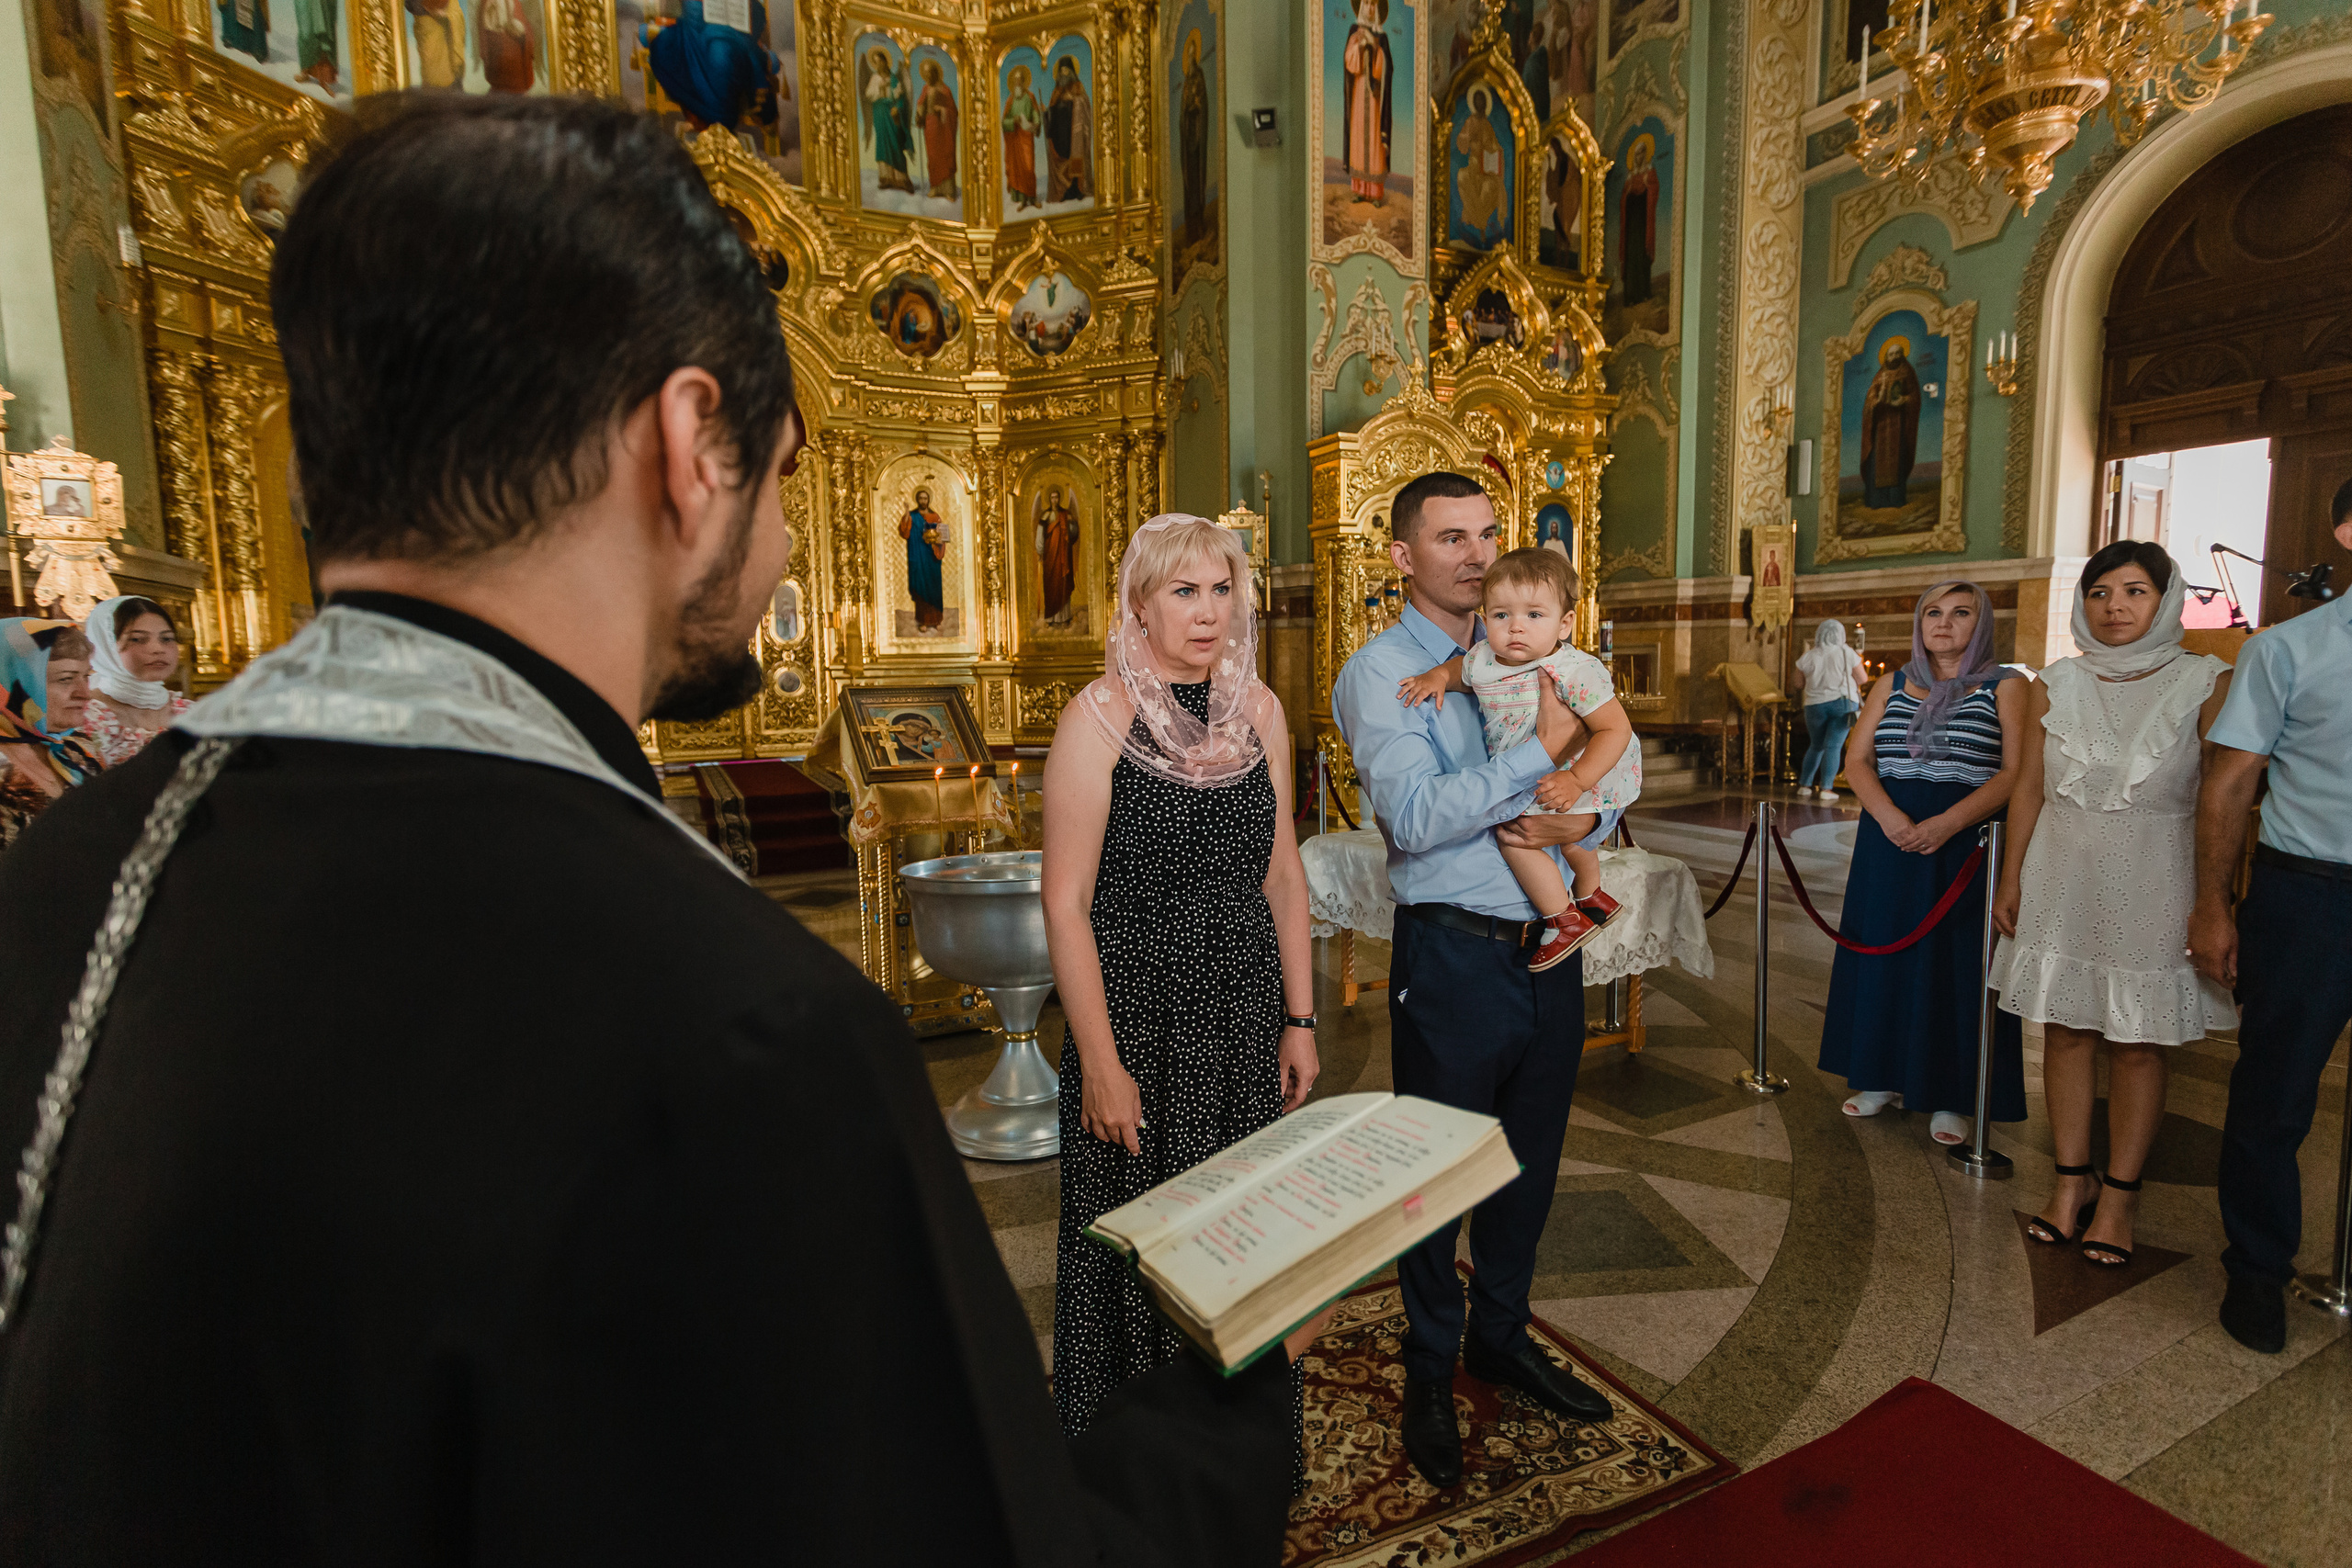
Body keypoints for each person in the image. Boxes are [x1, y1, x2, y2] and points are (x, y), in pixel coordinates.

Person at [0, 96, 1312, 1563]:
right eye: (792, 472)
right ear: (693, 444)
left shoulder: (66, 875)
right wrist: (1224, 1410)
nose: (793, 539)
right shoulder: (753, 1027)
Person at [1331, 471, 1612, 1492]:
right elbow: (1412, 818)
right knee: (1434, 1173)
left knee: (1528, 1161)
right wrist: (1539, 752)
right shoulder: (1381, 673)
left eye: (1488, 533)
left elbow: (1602, 773)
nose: (1477, 554)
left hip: (1547, 941)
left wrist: (1583, 815)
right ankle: (1425, 1366)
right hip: (1451, 950)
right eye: (1450, 538)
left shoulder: (1540, 645)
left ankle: (1500, 1335)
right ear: (1403, 557)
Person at [1041, 513, 1318, 1483]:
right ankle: (1134, 1463)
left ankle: (1235, 1450)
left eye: (1221, 589)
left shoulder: (1262, 711)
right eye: (1183, 592)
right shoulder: (1099, 717)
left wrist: (1300, 1016)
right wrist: (1103, 1066)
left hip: (1243, 1011)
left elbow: (1283, 875)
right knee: (1142, 1235)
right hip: (1138, 1012)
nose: (1208, 612)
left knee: (1240, 1233)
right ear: (1139, 605)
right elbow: (1064, 905)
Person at [1991, 544, 2234, 1268]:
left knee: (2136, 1039)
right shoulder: (2055, 682)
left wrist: (2216, 899)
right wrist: (2012, 878)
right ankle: (2071, 1183)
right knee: (2065, 1029)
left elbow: (2224, 799)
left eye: (2135, 590)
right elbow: (2029, 787)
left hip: (2157, 872)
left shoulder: (2208, 680)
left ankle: (2120, 1197)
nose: (2115, 606)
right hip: (2064, 868)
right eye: (2100, 591)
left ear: (2167, 600)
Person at [2191, 477, 2352, 1355]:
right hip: (2311, 895)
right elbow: (2227, 785)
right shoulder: (2288, 650)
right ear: (2347, 529)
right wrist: (2213, 903)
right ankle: (2256, 1271)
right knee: (2275, 1093)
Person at [1818, 580, 2027, 1145]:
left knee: (1952, 966)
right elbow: (1856, 759)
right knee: (1884, 952)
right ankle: (1878, 1076)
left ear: (1981, 623)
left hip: (1963, 841)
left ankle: (1950, 1094)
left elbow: (2015, 773)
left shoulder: (2006, 686)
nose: (1944, 623)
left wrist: (1948, 824)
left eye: (1961, 613)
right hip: (1889, 835)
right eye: (1933, 612)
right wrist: (1888, 818)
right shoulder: (1892, 682)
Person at [1396, 547, 1641, 969]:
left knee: (1513, 837)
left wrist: (1579, 780)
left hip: (1587, 767)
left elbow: (1614, 728)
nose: (1515, 629)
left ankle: (1563, 918)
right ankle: (1591, 895)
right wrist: (1438, 676)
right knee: (1559, 831)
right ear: (1485, 616)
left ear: (1565, 624)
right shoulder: (1485, 658)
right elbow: (1462, 673)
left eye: (1534, 615)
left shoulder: (1573, 670)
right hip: (1536, 767)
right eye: (1501, 615)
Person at [0, 619, 100, 854]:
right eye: (66, 679)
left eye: (86, 677)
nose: (85, 694)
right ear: (14, 683)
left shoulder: (76, 746)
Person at [79, 595, 194, 767]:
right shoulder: (85, 717)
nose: (158, 649)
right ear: (105, 645)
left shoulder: (191, 713)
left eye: (167, 638)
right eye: (137, 639)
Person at [1793, 619, 1865, 799]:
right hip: (1842, 704)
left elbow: (1797, 683)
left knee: (1816, 745)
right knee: (1833, 746)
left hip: (1814, 705)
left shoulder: (1809, 656)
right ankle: (1826, 789)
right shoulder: (1846, 652)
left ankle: (1804, 785)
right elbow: (1863, 678)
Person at [1044, 54, 1091, 204]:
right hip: (1060, 134)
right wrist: (1046, 112)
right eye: (1061, 72)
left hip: (1074, 133)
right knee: (1063, 157)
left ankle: (1077, 189)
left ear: (1071, 71)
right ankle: (1065, 191)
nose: (1064, 75)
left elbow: (1085, 104)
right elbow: (1051, 110)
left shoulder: (1078, 87)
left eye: (1066, 71)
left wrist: (1075, 100)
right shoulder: (1056, 91)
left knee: (1076, 159)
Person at [916, 58, 959, 198]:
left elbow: (953, 111)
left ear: (936, 74)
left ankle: (948, 190)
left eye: (930, 73)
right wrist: (919, 114)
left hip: (943, 128)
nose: (928, 76)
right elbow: (921, 105)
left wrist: (942, 110)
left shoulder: (945, 90)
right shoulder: (925, 89)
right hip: (930, 126)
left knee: (945, 155)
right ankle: (935, 187)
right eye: (926, 74)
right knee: (933, 156)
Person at [1001, 63, 1040, 210]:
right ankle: (1023, 199)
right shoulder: (1010, 100)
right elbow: (1004, 121)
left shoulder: (1030, 97)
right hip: (1015, 139)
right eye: (1015, 80)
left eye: (1020, 80)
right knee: (1019, 168)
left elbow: (1036, 114)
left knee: (1029, 167)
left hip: (1026, 137)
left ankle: (1032, 197)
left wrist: (1036, 124)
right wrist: (1013, 121)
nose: (1018, 82)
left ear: (1024, 81)